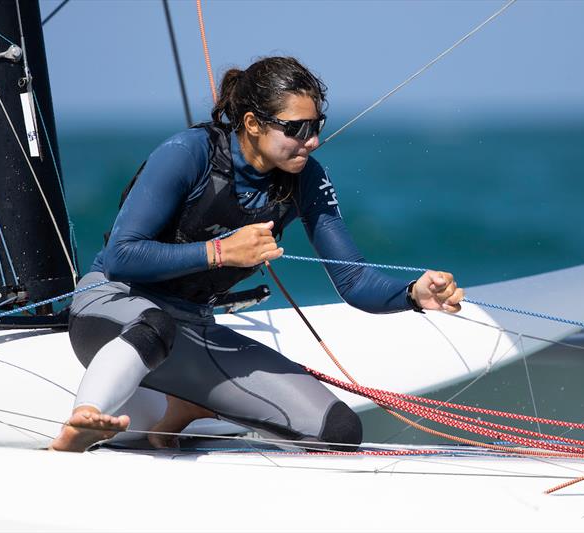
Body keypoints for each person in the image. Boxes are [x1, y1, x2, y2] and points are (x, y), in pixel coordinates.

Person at [50, 57, 464, 453]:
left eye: (316, 125)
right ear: (252, 124)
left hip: (192, 329)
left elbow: (354, 282)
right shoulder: (189, 152)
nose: (313, 140)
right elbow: (122, 256)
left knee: (337, 431)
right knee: (155, 323)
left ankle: (182, 408)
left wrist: (412, 294)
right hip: (112, 311)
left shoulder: (305, 177)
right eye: (297, 128)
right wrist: (219, 252)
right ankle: (83, 418)